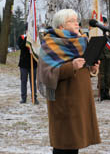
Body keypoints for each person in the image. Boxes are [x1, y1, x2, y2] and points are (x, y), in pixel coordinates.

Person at [37, 9, 101, 154]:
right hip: (64, 101)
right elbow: (46, 75)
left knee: (75, 144)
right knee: (64, 145)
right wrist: (70, 66)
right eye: (71, 21)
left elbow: (82, 69)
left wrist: (92, 70)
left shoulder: (83, 41)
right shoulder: (50, 44)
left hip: (81, 100)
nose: (76, 23)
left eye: (76, 20)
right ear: (61, 26)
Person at [17, 24, 39, 104]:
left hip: (33, 63)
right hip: (23, 64)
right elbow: (21, 46)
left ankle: (34, 98)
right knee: (23, 81)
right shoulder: (21, 37)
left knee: (33, 81)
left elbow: (38, 48)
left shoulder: (35, 38)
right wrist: (27, 38)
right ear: (26, 30)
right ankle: (23, 98)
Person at [97, 17, 110, 101]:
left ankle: (107, 92)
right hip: (101, 57)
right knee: (101, 75)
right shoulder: (97, 33)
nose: (104, 24)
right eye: (102, 23)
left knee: (108, 75)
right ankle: (101, 92)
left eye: (104, 23)